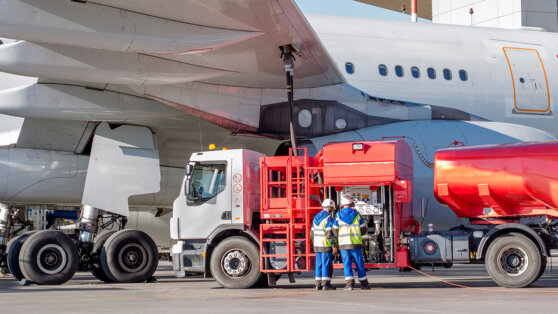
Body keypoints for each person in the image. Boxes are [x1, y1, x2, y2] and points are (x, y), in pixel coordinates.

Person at [333, 195, 371, 290]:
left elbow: (334, 230)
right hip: (356, 243)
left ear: (342, 204)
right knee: (359, 263)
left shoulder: (338, 215)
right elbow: (363, 229)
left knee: (347, 264)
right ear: (351, 203)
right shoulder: (357, 215)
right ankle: (364, 284)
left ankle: (349, 285)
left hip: (343, 244)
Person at [310, 199, 337, 290]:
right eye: (332, 209)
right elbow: (329, 233)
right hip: (325, 245)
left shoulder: (316, 217)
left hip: (317, 245)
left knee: (318, 264)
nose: (332, 211)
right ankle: (325, 284)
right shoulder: (328, 218)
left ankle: (318, 284)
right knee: (326, 264)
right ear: (329, 208)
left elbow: (312, 234)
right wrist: (333, 244)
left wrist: (314, 243)